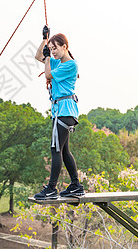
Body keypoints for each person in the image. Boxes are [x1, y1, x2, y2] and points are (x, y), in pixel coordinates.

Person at [33, 26, 84, 200]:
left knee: (55, 149)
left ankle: (51, 188)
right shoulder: (58, 62)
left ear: (65, 47)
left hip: (64, 110)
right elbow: (39, 56)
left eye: (56, 48)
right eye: (52, 49)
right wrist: (45, 40)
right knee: (64, 150)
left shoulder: (70, 65)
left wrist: (48, 56)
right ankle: (76, 185)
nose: (53, 52)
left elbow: (47, 73)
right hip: (61, 111)